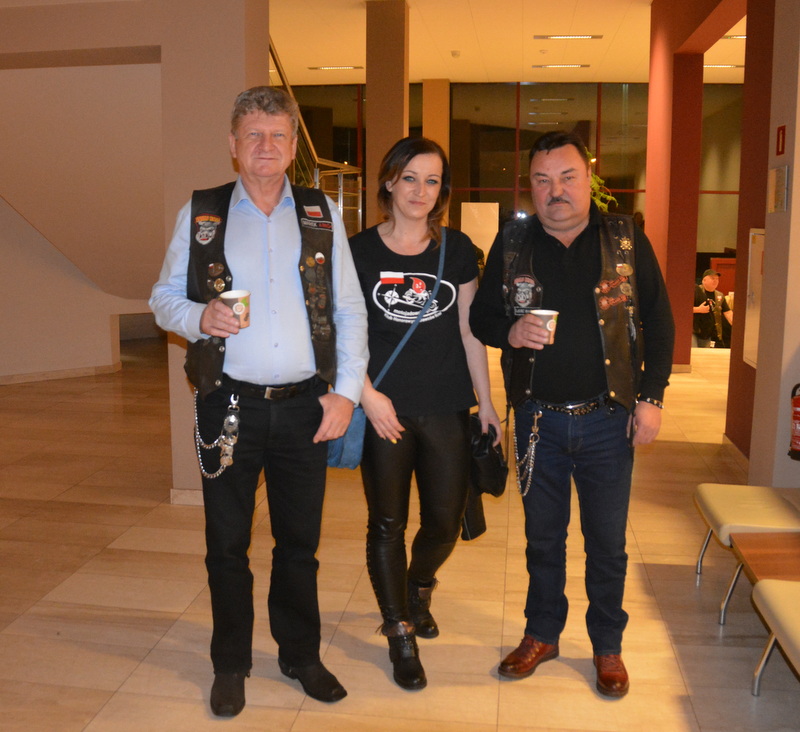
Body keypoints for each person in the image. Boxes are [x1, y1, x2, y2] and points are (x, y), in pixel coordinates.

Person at [149, 86, 368, 717]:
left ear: (293, 146)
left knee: (300, 543)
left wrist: (345, 394)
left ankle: (300, 655)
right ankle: (230, 663)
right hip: (227, 405)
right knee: (226, 544)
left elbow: (349, 308)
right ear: (233, 144)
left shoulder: (322, 213)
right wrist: (199, 316)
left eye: (277, 135)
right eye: (253, 135)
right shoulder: (203, 213)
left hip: (305, 406)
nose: (265, 146)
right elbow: (163, 297)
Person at [470, 131, 674, 699]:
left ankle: (607, 645)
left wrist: (651, 397)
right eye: (542, 180)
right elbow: (482, 318)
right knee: (542, 539)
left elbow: (659, 321)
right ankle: (542, 634)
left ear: (588, 179)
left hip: (609, 420)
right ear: (530, 186)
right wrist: (510, 330)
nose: (554, 190)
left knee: (606, 543)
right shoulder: (513, 242)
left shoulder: (624, 239)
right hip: (537, 421)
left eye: (566, 177)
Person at [349, 136, 501, 691]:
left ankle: (418, 587)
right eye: (410, 177)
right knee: (386, 522)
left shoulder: (456, 249)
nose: (420, 190)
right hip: (384, 410)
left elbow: (469, 331)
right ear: (389, 181)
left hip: (446, 406)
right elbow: (340, 332)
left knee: (443, 521)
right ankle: (399, 630)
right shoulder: (357, 252)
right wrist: (367, 394)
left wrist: (487, 403)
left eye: (432, 180)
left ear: (443, 190)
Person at [692, 268, 732, 347]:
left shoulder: (719, 295)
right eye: (712, 278)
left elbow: (728, 312)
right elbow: (682, 309)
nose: (715, 281)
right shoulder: (695, 291)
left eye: (717, 279)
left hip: (708, 333)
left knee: (704, 353)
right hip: (694, 331)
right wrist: (698, 309)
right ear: (704, 280)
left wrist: (737, 325)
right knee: (693, 352)